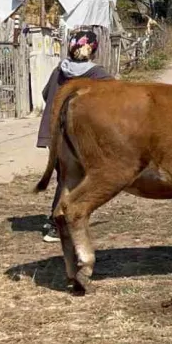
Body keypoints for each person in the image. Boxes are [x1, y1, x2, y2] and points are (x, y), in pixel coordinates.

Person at [37, 30, 112, 242]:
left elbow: (45, 94)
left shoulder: (59, 71)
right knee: (75, 178)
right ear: (94, 49)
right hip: (81, 134)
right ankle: (58, 223)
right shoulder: (98, 75)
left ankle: (59, 220)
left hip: (55, 132)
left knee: (64, 176)